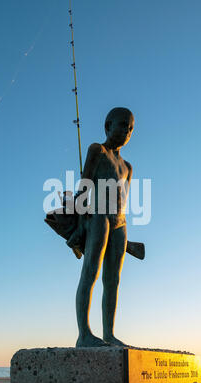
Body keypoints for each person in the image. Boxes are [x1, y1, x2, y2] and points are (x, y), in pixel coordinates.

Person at [74, 107, 134, 347]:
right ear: (108, 125)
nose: (127, 131)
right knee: (90, 273)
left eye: (130, 128)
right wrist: (79, 226)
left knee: (113, 280)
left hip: (120, 224)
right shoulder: (96, 150)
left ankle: (108, 333)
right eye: (122, 125)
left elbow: (124, 199)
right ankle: (84, 334)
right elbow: (84, 188)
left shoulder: (128, 167)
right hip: (98, 217)